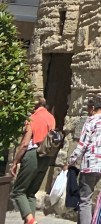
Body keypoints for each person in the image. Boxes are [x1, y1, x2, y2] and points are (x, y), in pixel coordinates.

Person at [68, 95, 101, 224]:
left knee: (85, 200)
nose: (88, 111)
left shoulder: (91, 120)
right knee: (90, 195)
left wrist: (70, 161)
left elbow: (83, 144)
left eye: (88, 108)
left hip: (90, 164)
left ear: (93, 108)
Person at [9, 96, 56, 224]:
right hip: (46, 157)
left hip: (32, 154)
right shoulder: (51, 117)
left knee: (18, 191)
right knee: (31, 193)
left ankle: (30, 220)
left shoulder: (33, 118)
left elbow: (25, 144)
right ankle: (31, 221)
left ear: (34, 105)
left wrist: (15, 161)